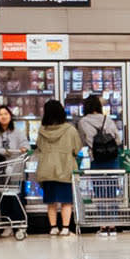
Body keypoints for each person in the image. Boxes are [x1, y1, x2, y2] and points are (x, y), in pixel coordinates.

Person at [32, 99, 81, 236]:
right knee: (66, 201)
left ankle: (53, 227)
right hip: (65, 168)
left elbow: (39, 147)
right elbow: (77, 148)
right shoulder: (70, 130)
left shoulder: (42, 131)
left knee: (51, 201)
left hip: (47, 169)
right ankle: (65, 228)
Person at [77, 92, 125, 170]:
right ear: (99, 107)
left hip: (96, 158)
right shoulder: (107, 119)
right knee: (113, 181)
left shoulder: (83, 122)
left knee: (98, 180)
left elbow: (82, 142)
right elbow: (118, 140)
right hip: (112, 158)